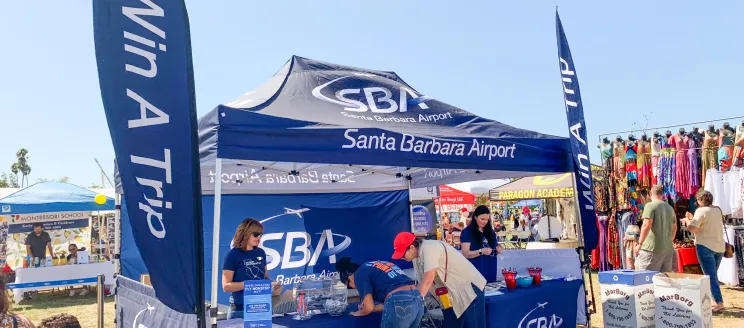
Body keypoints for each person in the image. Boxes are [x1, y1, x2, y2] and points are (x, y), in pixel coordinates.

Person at [392, 232, 487, 328]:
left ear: (412, 247)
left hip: (469, 288)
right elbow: (422, 283)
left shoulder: (429, 247)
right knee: (450, 324)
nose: (401, 258)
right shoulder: (416, 257)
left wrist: (412, 304)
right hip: (449, 294)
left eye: (403, 254)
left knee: (473, 325)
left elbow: (428, 281)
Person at [335, 257, 423, 327]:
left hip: (399, 298)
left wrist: (359, 313)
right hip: (418, 298)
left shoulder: (358, 274)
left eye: (349, 286)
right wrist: (374, 308)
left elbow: (368, 308)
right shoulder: (376, 266)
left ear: (351, 277)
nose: (354, 288)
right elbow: (392, 305)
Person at [221, 218, 281, 319]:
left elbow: (265, 277)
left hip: (260, 306)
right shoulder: (233, 255)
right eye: (256, 234)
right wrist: (251, 285)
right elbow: (226, 286)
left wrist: (272, 284)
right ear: (245, 234)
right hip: (240, 309)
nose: (259, 238)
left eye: (261, 234)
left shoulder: (261, 252)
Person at [681, 190, 726, 312]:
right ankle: (714, 299)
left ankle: (719, 302)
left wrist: (687, 221)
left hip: (705, 246)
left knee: (710, 276)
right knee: (713, 275)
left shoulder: (701, 211)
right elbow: (707, 222)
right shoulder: (717, 209)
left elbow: (692, 228)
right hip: (719, 247)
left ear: (700, 200)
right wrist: (693, 218)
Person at [635, 185, 677, 271]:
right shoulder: (670, 208)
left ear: (650, 193)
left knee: (646, 279)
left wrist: (639, 243)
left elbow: (646, 225)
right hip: (667, 249)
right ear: (662, 194)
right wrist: (670, 240)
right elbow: (675, 227)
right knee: (664, 280)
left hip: (651, 248)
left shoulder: (650, 206)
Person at [459, 205, 503, 282]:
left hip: (491, 268)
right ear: (475, 217)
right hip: (476, 270)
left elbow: (494, 248)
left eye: (487, 219)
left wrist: (499, 249)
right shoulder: (467, 232)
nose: (484, 222)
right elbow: (465, 253)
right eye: (482, 219)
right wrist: (481, 251)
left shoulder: (490, 231)